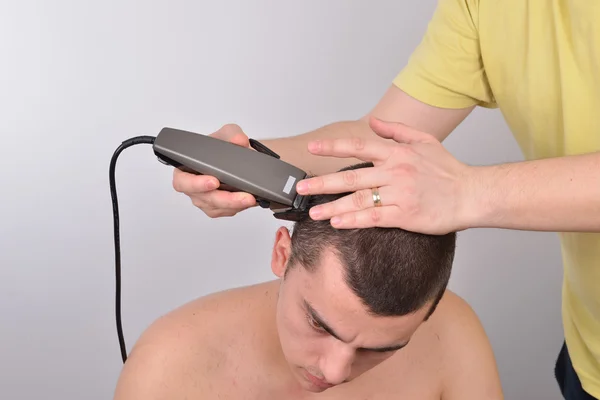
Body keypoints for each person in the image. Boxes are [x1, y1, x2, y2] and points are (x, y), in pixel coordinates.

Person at [171, 1, 600, 398]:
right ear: (282, 254)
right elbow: (378, 143)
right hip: (591, 345)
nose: (336, 374)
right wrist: (248, 161)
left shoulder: (459, 343)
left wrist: (468, 192)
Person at [113, 163, 503, 399]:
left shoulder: (452, 336)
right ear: (282, 254)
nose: (335, 372)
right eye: (319, 323)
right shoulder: (169, 367)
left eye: (380, 349)